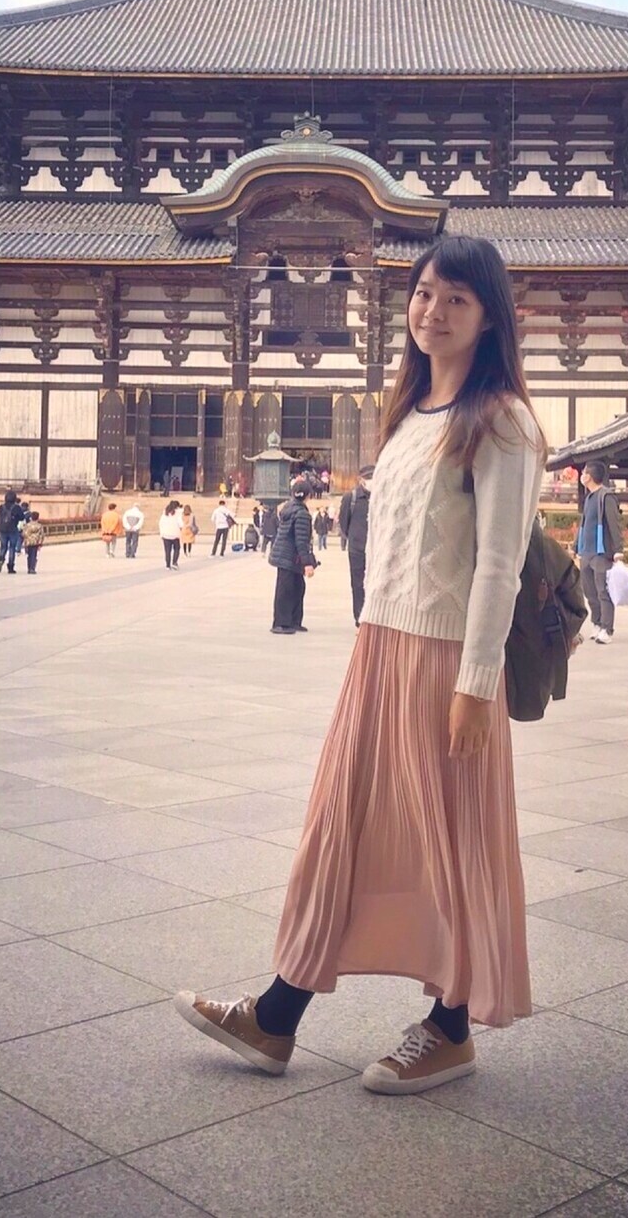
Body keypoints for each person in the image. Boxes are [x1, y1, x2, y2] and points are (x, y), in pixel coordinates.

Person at [175, 234, 545, 1095]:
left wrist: (475, 687)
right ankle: (276, 1017)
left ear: (489, 317)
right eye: (424, 293)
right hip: (381, 650)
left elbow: (500, 565)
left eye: (456, 298)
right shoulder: (409, 414)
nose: (433, 311)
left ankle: (451, 1027)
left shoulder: (503, 421)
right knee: (339, 827)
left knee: (450, 839)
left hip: (449, 662)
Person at [574, 459, 625, 645]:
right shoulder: (588, 498)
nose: (582, 476)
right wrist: (576, 546)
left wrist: (618, 550)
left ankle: (607, 628)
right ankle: (596, 623)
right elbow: (583, 524)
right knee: (590, 591)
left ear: (590, 476)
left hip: (601, 552)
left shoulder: (606, 497)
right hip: (586, 552)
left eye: (584, 473)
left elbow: (614, 524)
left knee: (603, 590)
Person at [268, 480, 316, 634]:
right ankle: (281, 623)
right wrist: (307, 563)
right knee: (286, 590)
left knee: (297, 587)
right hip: (288, 556)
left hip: (287, 555)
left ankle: (294, 621)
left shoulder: (289, 508)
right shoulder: (301, 514)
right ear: (308, 495)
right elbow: (301, 541)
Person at [338, 465, 374, 626]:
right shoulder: (350, 498)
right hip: (357, 549)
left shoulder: (383, 497)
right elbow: (343, 523)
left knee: (376, 584)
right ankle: (360, 618)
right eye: (368, 478)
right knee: (358, 584)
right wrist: (354, 538)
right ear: (360, 480)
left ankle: (374, 617)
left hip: (377, 549)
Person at [0, 490, 23, 574]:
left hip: (3, 529)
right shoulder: (17, 507)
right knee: (12, 547)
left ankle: (1, 559)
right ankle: (10, 566)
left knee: (3, 546)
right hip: (13, 529)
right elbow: (22, 517)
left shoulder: (1, 507)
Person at [159, 501, 182, 569]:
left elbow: (160, 524)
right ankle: (174, 562)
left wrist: (161, 533)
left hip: (165, 534)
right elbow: (181, 524)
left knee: (167, 551)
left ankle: (167, 565)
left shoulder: (164, 514)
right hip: (175, 534)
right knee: (177, 549)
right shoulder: (178, 514)